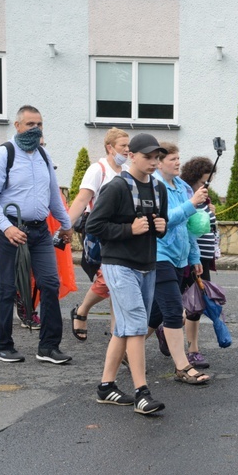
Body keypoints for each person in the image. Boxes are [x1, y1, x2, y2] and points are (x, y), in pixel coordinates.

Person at [0, 105, 73, 363]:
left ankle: (48, 347)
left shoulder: (43, 155)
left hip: (40, 231)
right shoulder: (3, 154)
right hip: (11, 230)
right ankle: (2, 345)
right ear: (17, 126)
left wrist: (66, 225)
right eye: (30, 124)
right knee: (8, 287)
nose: (35, 129)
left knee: (50, 284)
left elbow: (54, 195)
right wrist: (6, 227)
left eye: (39, 124)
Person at [86, 133, 168, 414]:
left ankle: (106, 386)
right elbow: (93, 225)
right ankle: (142, 392)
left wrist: (162, 226)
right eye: (148, 157)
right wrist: (127, 230)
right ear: (131, 155)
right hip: (118, 265)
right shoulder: (116, 187)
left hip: (147, 265)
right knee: (135, 325)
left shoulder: (159, 189)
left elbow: (161, 226)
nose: (154, 162)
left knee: (125, 328)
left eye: (157, 157)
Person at [146, 142, 210, 385]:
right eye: (171, 158)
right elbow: (165, 221)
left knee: (155, 314)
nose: (177, 162)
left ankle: (124, 350)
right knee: (174, 311)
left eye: (178, 158)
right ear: (159, 163)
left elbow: (189, 226)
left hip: (180, 256)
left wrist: (194, 258)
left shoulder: (182, 186)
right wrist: (191, 203)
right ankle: (183, 367)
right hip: (160, 254)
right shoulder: (156, 187)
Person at [68, 127, 130, 341]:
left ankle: (117, 336)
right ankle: (82, 309)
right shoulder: (98, 169)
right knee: (107, 279)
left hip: (122, 234)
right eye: (123, 146)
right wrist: (66, 226)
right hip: (99, 233)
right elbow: (83, 199)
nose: (127, 150)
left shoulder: (128, 171)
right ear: (110, 148)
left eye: (128, 146)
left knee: (118, 285)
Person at [179, 156, 218, 369]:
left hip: (203, 257)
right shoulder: (187, 197)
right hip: (189, 257)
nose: (206, 185)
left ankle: (193, 350)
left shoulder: (204, 200)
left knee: (197, 304)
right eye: (203, 181)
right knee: (189, 304)